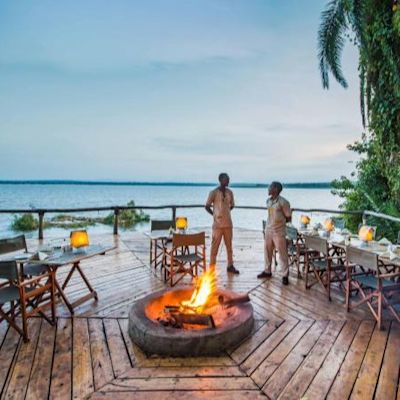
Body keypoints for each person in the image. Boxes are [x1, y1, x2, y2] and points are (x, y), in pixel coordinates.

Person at [257, 181, 291, 285]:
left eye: (270, 187)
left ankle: (285, 275)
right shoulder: (268, 201)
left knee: (282, 254)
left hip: (278, 231)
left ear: (275, 189)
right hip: (268, 230)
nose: (268, 189)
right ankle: (267, 271)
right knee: (267, 251)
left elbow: (288, 217)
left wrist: (280, 224)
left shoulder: (283, 202)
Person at [205, 173, 239, 274]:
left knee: (229, 246)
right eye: (226, 179)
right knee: (215, 246)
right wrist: (215, 214)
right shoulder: (213, 192)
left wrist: (225, 212)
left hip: (228, 224)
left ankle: (230, 265)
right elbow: (207, 206)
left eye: (228, 179)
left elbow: (232, 205)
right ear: (221, 180)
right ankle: (211, 268)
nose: (228, 181)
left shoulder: (230, 192)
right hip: (217, 225)